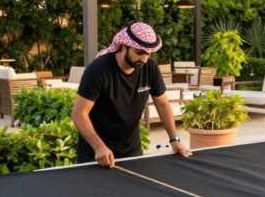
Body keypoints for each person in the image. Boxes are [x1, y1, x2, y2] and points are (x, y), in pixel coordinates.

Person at [71, 22, 191, 167]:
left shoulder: (150, 67)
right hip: (96, 155)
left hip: (131, 152)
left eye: (148, 53)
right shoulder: (98, 70)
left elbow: (163, 103)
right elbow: (78, 114)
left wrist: (174, 139)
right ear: (123, 47)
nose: (144, 59)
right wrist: (98, 147)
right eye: (139, 52)